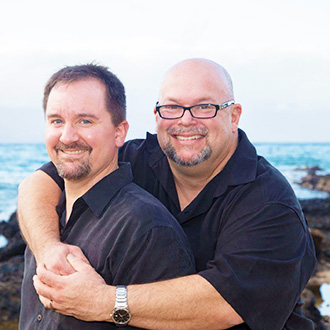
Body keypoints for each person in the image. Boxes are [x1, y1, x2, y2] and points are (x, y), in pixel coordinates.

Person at [18, 58, 316, 330]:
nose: (185, 121)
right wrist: (48, 251)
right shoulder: (136, 158)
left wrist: (102, 302)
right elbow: (39, 183)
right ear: (157, 114)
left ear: (234, 115)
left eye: (204, 107)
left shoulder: (269, 201)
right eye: (172, 107)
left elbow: (223, 305)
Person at [18, 64, 195, 330]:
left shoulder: (146, 228)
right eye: (56, 121)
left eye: (85, 121)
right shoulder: (45, 218)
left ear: (119, 132)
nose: (67, 136)